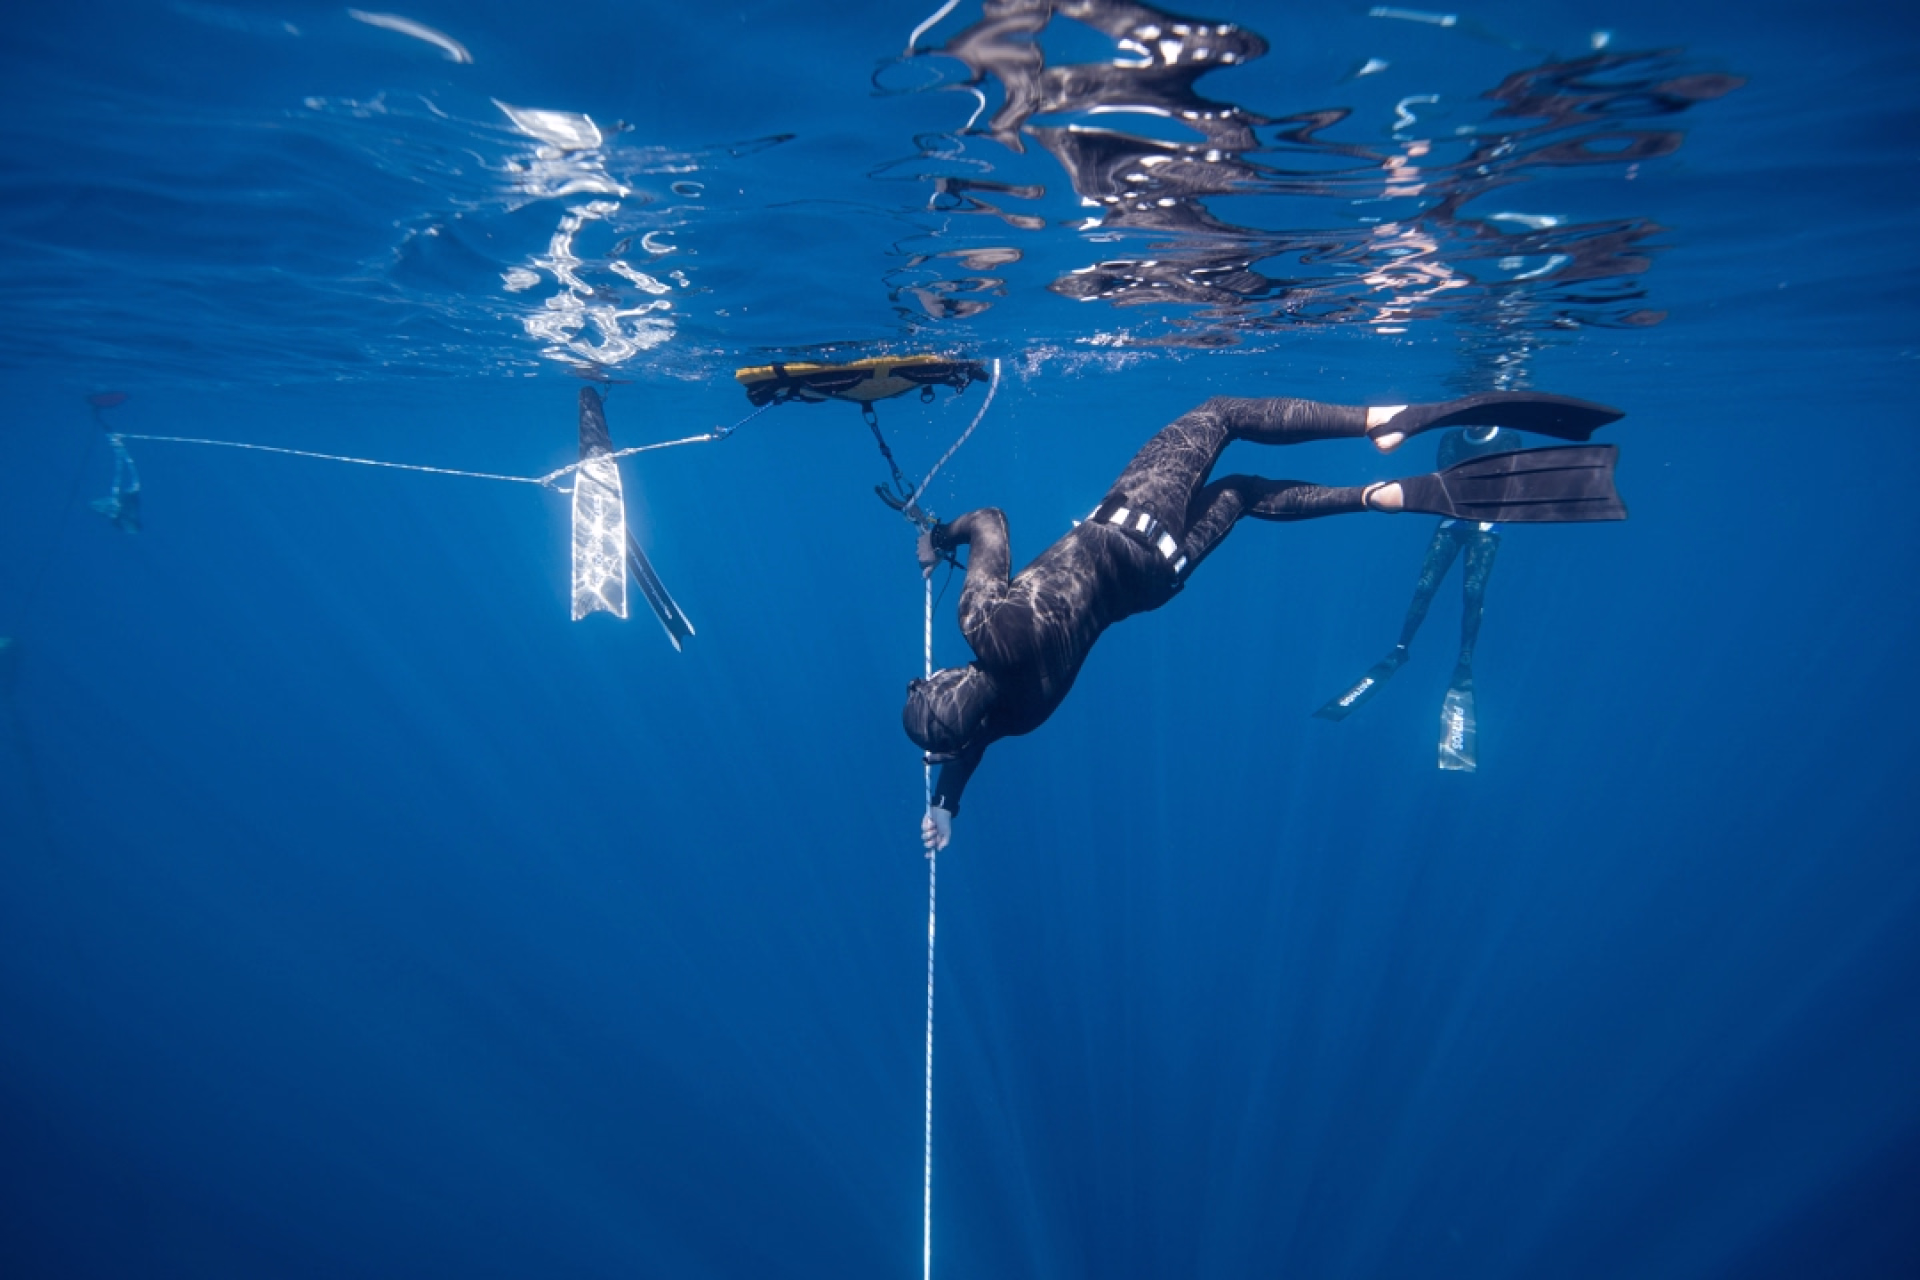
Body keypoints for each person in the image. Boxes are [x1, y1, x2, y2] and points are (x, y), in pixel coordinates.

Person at [903, 391, 1626, 852]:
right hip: (1132, 521)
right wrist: (939, 536)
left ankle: (1375, 496)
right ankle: (1380, 422)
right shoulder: (981, 624)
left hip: (1159, 580)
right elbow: (990, 519)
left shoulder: (1020, 714)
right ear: (939, 677)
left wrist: (948, 807)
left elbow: (976, 742)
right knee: (1222, 415)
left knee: (1245, 493)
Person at [1311, 424, 1528, 769]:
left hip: (1486, 523)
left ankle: (1465, 661)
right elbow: (1445, 480)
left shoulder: (1509, 438)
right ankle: (1400, 649)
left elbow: (1509, 485)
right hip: (1454, 519)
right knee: (1424, 587)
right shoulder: (1452, 439)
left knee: (1473, 592)